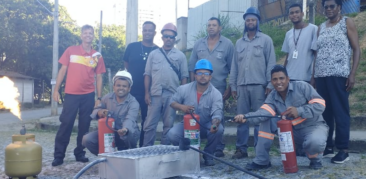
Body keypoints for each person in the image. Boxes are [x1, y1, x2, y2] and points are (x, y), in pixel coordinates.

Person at [234, 65, 328, 170]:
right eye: (275, 79)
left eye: (281, 78)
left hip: (313, 126)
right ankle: (262, 161)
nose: (278, 82)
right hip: (290, 131)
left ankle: (315, 160)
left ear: (288, 79)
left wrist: (299, 110)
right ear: (271, 81)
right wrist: (246, 117)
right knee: (267, 119)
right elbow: (263, 112)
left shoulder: (302, 87)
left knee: (315, 141)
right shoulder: (272, 96)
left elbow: (320, 105)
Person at [52, 25, 106, 166]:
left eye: (91, 33)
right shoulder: (71, 51)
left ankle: (80, 153)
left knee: (84, 126)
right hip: (71, 94)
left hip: (88, 95)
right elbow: (62, 70)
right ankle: (59, 156)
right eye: (85, 33)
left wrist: (99, 97)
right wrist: (56, 89)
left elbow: (99, 77)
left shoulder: (97, 56)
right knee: (66, 124)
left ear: (93, 36)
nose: (88, 35)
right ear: (81, 35)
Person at [315, 0, 360, 164]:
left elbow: (356, 49)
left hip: (339, 74)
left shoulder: (347, 22)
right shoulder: (320, 27)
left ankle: (343, 149)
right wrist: (314, 75)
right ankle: (327, 146)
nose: (328, 9)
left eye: (332, 6)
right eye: (326, 7)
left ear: (339, 7)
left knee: (340, 112)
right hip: (321, 76)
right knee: (324, 113)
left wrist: (352, 74)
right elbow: (317, 54)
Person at [229, 7, 276, 159]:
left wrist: (270, 84)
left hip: (259, 86)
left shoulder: (266, 40)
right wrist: (233, 86)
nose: (250, 22)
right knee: (241, 118)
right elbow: (234, 66)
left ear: (257, 21)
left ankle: (259, 149)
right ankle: (241, 149)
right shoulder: (239, 43)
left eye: (253, 19)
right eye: (248, 19)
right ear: (245, 22)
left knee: (259, 120)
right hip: (241, 87)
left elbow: (271, 64)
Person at [188, 17, 234, 158]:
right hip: (199, 87)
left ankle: (218, 147)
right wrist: (191, 86)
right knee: (196, 115)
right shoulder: (198, 44)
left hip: (219, 87)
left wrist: (230, 87)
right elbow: (191, 66)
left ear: (220, 28)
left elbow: (233, 68)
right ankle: (195, 144)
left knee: (218, 116)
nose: (211, 27)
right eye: (209, 25)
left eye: (214, 25)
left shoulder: (227, 44)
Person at [168, 59, 224, 166]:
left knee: (219, 129)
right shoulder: (184, 89)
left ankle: (208, 155)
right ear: (194, 75)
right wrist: (182, 107)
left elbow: (217, 113)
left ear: (210, 76)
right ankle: (188, 154)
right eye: (199, 73)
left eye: (206, 73)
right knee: (172, 134)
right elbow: (171, 102)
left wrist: (214, 124)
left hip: (205, 125)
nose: (203, 76)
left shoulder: (216, 94)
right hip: (188, 126)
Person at [143, 23, 189, 146]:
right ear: (162, 37)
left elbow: (184, 77)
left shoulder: (181, 56)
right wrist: (147, 93)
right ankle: (146, 150)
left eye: (171, 37)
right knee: (149, 125)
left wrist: (182, 97)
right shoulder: (153, 54)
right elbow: (147, 74)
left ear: (175, 39)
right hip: (155, 94)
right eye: (166, 36)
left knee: (168, 125)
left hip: (172, 95)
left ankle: (165, 151)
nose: (169, 39)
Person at [82, 71, 140, 155]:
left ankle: (130, 154)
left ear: (129, 89)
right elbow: (96, 110)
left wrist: (125, 129)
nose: (121, 88)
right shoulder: (107, 98)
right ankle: (106, 157)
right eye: (118, 85)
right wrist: (100, 112)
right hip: (109, 132)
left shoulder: (133, 103)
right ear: (114, 87)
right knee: (87, 139)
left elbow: (130, 119)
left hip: (127, 133)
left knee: (127, 136)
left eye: (124, 86)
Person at [123, 21, 158, 147]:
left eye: (150, 30)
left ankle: (144, 147)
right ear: (142, 31)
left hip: (148, 92)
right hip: (131, 90)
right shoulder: (132, 47)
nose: (147, 32)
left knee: (146, 121)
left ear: (155, 33)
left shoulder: (158, 50)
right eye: (145, 30)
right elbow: (127, 64)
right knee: (128, 119)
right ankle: (127, 146)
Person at [282, 3, 318, 85]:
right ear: (289, 16)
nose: (294, 15)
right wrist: (283, 75)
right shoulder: (288, 34)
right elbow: (288, 56)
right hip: (289, 77)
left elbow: (316, 55)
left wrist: (314, 76)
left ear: (302, 14)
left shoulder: (313, 29)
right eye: (291, 13)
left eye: (297, 12)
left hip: (305, 78)